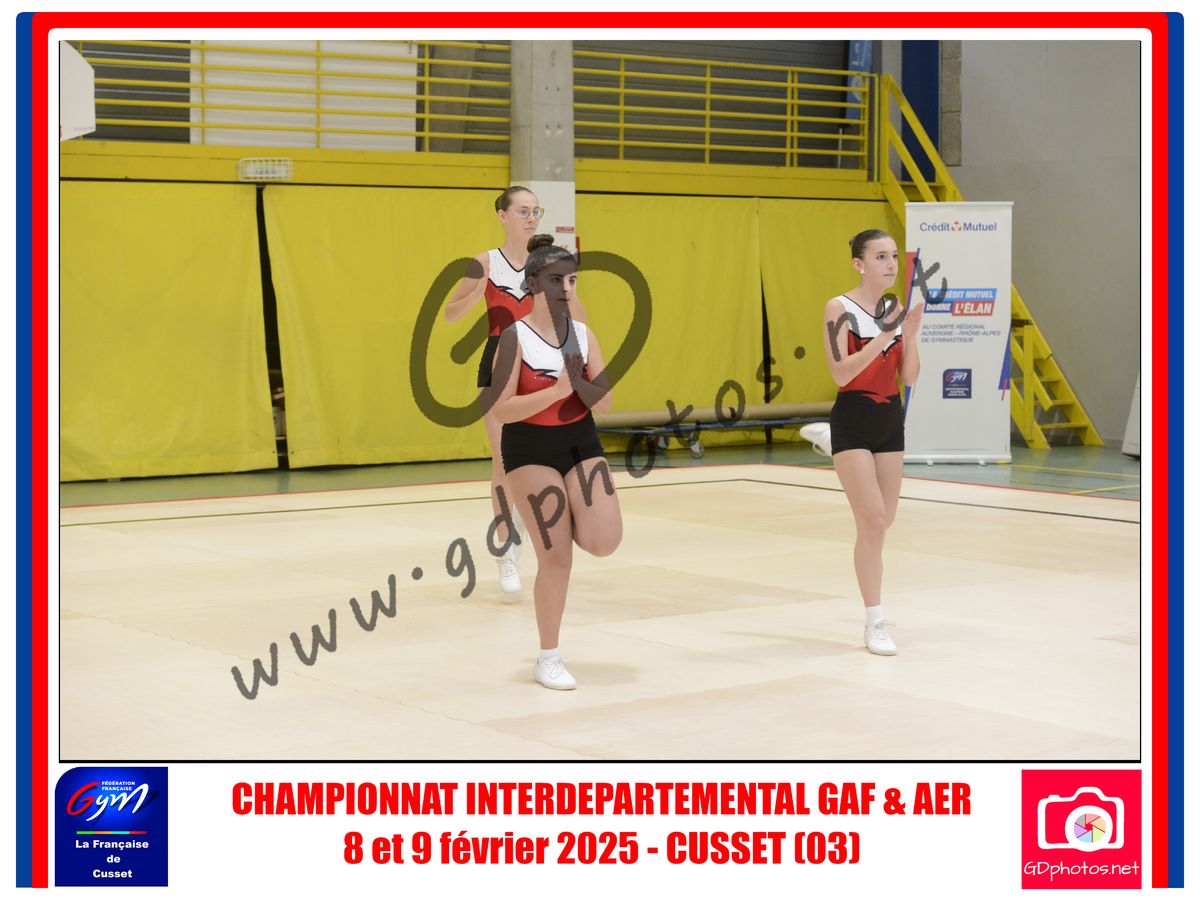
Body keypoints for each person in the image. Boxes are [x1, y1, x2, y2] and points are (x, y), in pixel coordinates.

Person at [487, 234, 622, 690]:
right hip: (530, 450)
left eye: (572, 280)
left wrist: (581, 384)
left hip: (581, 442)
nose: (566, 288)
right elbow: (502, 410)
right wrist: (556, 390)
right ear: (534, 285)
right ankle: (548, 656)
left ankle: (550, 518)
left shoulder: (583, 335)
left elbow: (605, 403)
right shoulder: (514, 338)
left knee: (604, 541)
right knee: (557, 557)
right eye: (556, 280)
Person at [443, 186, 586, 593]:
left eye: (536, 211)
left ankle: (540, 534)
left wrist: (565, 289)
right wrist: (475, 294)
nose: (531, 218)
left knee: (547, 459)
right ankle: (507, 551)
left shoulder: (553, 261)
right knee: (503, 462)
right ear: (502, 216)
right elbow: (450, 314)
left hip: (545, 363)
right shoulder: (485, 262)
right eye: (523, 211)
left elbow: (580, 319)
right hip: (501, 359)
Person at [821, 229, 924, 655]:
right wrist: (883, 337)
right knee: (873, 520)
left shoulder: (894, 308)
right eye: (880, 256)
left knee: (884, 521)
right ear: (858, 264)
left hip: (889, 422)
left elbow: (908, 377)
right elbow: (841, 373)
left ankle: (822, 440)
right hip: (853, 420)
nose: (891, 263)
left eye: (894, 256)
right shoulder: (838, 308)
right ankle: (874, 621)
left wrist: (909, 336)